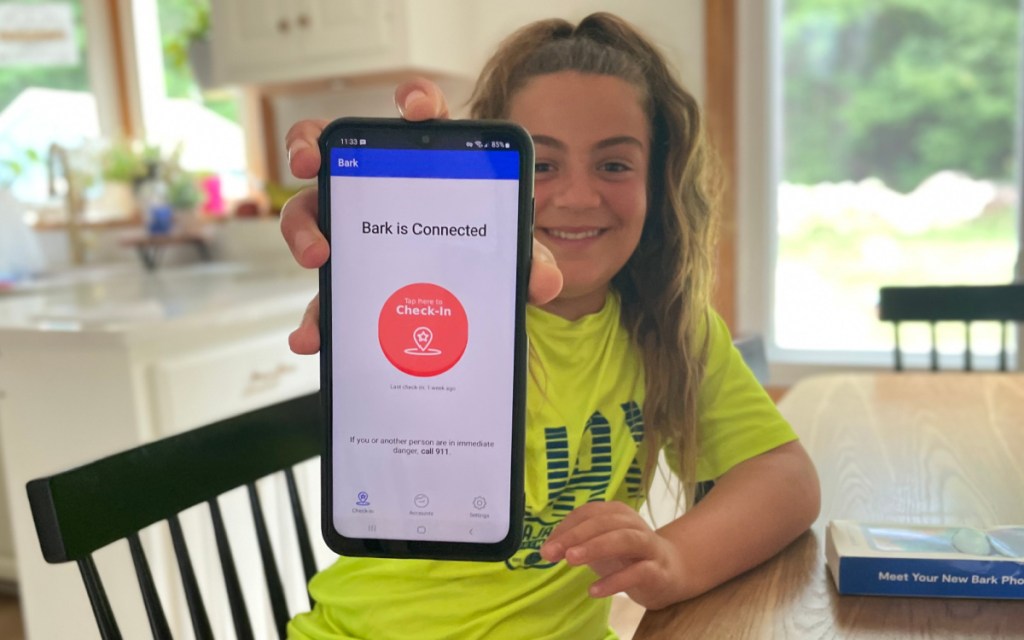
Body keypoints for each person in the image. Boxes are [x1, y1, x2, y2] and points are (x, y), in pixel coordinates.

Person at [280, 12, 820, 640]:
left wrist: (673, 560)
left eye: (614, 165)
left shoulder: (669, 328)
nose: (578, 197)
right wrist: (391, 250)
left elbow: (786, 477)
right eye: (541, 165)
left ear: (657, 182)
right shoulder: (444, 303)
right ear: (493, 179)